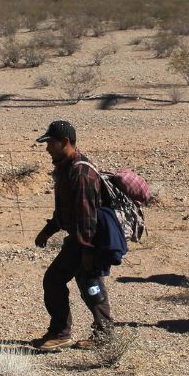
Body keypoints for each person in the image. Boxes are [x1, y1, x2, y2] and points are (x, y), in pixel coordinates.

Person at [32, 120, 114, 351]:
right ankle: (104, 333)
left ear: (65, 142)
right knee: (89, 284)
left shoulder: (81, 172)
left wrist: (87, 249)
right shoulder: (66, 169)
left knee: (54, 280)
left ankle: (61, 332)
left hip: (87, 240)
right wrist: (47, 231)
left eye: (51, 143)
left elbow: (87, 215)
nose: (47, 148)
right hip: (81, 239)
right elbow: (66, 211)